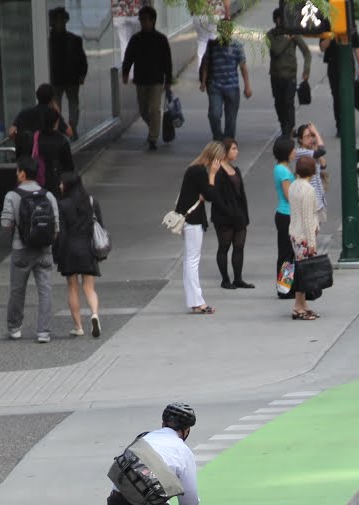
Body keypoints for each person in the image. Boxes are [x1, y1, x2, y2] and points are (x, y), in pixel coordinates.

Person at [1, 156, 60, 343]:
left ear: (23, 173)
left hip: (21, 249)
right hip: (44, 250)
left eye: (17, 170)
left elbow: (5, 224)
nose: (16, 174)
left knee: (17, 290)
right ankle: (43, 332)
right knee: (45, 290)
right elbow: (56, 229)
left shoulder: (12, 196)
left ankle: (14, 328)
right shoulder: (48, 196)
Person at [175, 141, 223, 315]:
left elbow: (206, 194)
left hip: (189, 219)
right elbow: (211, 195)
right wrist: (212, 175)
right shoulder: (200, 171)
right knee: (192, 261)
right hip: (193, 220)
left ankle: (194, 300)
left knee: (190, 260)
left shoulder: (194, 169)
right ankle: (197, 301)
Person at [56, 171, 103, 338]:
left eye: (61, 183)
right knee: (89, 287)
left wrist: (58, 255)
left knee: (73, 288)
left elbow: (61, 233)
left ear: (68, 185)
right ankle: (95, 314)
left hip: (69, 249)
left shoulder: (63, 205)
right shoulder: (91, 202)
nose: (60, 186)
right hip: (88, 249)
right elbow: (100, 226)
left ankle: (78, 327)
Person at [121, 5, 173, 151]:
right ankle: (154, 128)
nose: (143, 23)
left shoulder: (161, 39)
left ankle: (153, 139)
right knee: (144, 110)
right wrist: (125, 72)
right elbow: (128, 57)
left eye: (145, 20)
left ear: (153, 21)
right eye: (141, 20)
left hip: (156, 80)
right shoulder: (136, 39)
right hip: (141, 80)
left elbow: (167, 61)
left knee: (154, 108)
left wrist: (168, 80)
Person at [198, 19, 251, 141]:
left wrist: (247, 87)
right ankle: (217, 137)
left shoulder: (237, 46)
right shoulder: (212, 45)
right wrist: (203, 82)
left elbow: (243, 67)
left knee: (231, 118)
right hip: (215, 86)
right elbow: (205, 64)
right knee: (214, 114)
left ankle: (228, 141)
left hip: (232, 87)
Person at [211, 137, 252, 289]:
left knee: (239, 246)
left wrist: (244, 215)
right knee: (224, 246)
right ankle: (225, 279)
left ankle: (238, 278)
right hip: (224, 217)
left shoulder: (235, 170)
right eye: (233, 148)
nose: (237, 151)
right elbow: (216, 196)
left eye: (236, 148)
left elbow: (242, 195)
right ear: (225, 151)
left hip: (239, 215)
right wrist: (229, 212)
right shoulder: (218, 171)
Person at [267, 8, 312, 137]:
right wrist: (287, 39)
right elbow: (276, 50)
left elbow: (307, 52)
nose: (282, 21)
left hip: (290, 75)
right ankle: (283, 125)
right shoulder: (270, 35)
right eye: (280, 18)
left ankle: (289, 128)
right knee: (278, 103)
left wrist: (306, 70)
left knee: (288, 102)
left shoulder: (294, 34)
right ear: (276, 20)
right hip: (276, 75)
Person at [287, 153, 320, 322]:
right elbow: (308, 217)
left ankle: (303, 305)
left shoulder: (293, 186)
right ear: (312, 172)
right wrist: (312, 243)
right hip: (304, 237)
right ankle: (298, 307)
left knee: (301, 269)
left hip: (294, 233)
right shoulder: (309, 190)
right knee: (303, 273)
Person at [48, 7, 90, 131]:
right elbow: (82, 59)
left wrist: (82, 74)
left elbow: (82, 59)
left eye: (61, 20)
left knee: (69, 104)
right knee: (61, 104)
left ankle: (70, 127)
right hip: (60, 78)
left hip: (67, 78)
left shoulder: (72, 40)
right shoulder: (72, 40)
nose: (59, 23)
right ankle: (65, 127)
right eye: (57, 20)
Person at [10, 83, 71, 159]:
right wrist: (58, 113)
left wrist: (23, 143)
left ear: (37, 97)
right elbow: (69, 132)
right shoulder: (52, 115)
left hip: (27, 161)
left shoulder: (24, 112)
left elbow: (11, 132)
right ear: (52, 99)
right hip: (46, 161)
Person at [320, 29, 359, 139]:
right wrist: (331, 35)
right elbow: (322, 47)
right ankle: (340, 126)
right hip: (333, 64)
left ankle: (349, 124)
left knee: (348, 95)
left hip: (348, 64)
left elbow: (356, 46)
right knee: (337, 96)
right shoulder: (327, 26)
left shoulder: (349, 25)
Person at [271, 137, 296, 299]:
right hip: (286, 214)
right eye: (293, 149)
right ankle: (284, 288)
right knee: (286, 253)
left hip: (286, 214)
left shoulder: (282, 168)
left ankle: (286, 286)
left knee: (288, 253)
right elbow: (289, 195)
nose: (295, 152)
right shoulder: (283, 171)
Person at [292, 122, 328, 222]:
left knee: (315, 232)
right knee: (311, 233)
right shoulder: (300, 152)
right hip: (310, 200)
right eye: (308, 136)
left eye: (312, 136)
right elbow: (322, 151)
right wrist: (316, 132)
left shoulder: (312, 152)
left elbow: (324, 165)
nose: (311, 138)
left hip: (319, 198)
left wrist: (315, 147)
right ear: (300, 139)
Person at [34, 107, 75, 192]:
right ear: (56, 123)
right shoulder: (62, 140)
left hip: (38, 182)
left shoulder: (36, 137)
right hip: (56, 183)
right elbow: (69, 167)